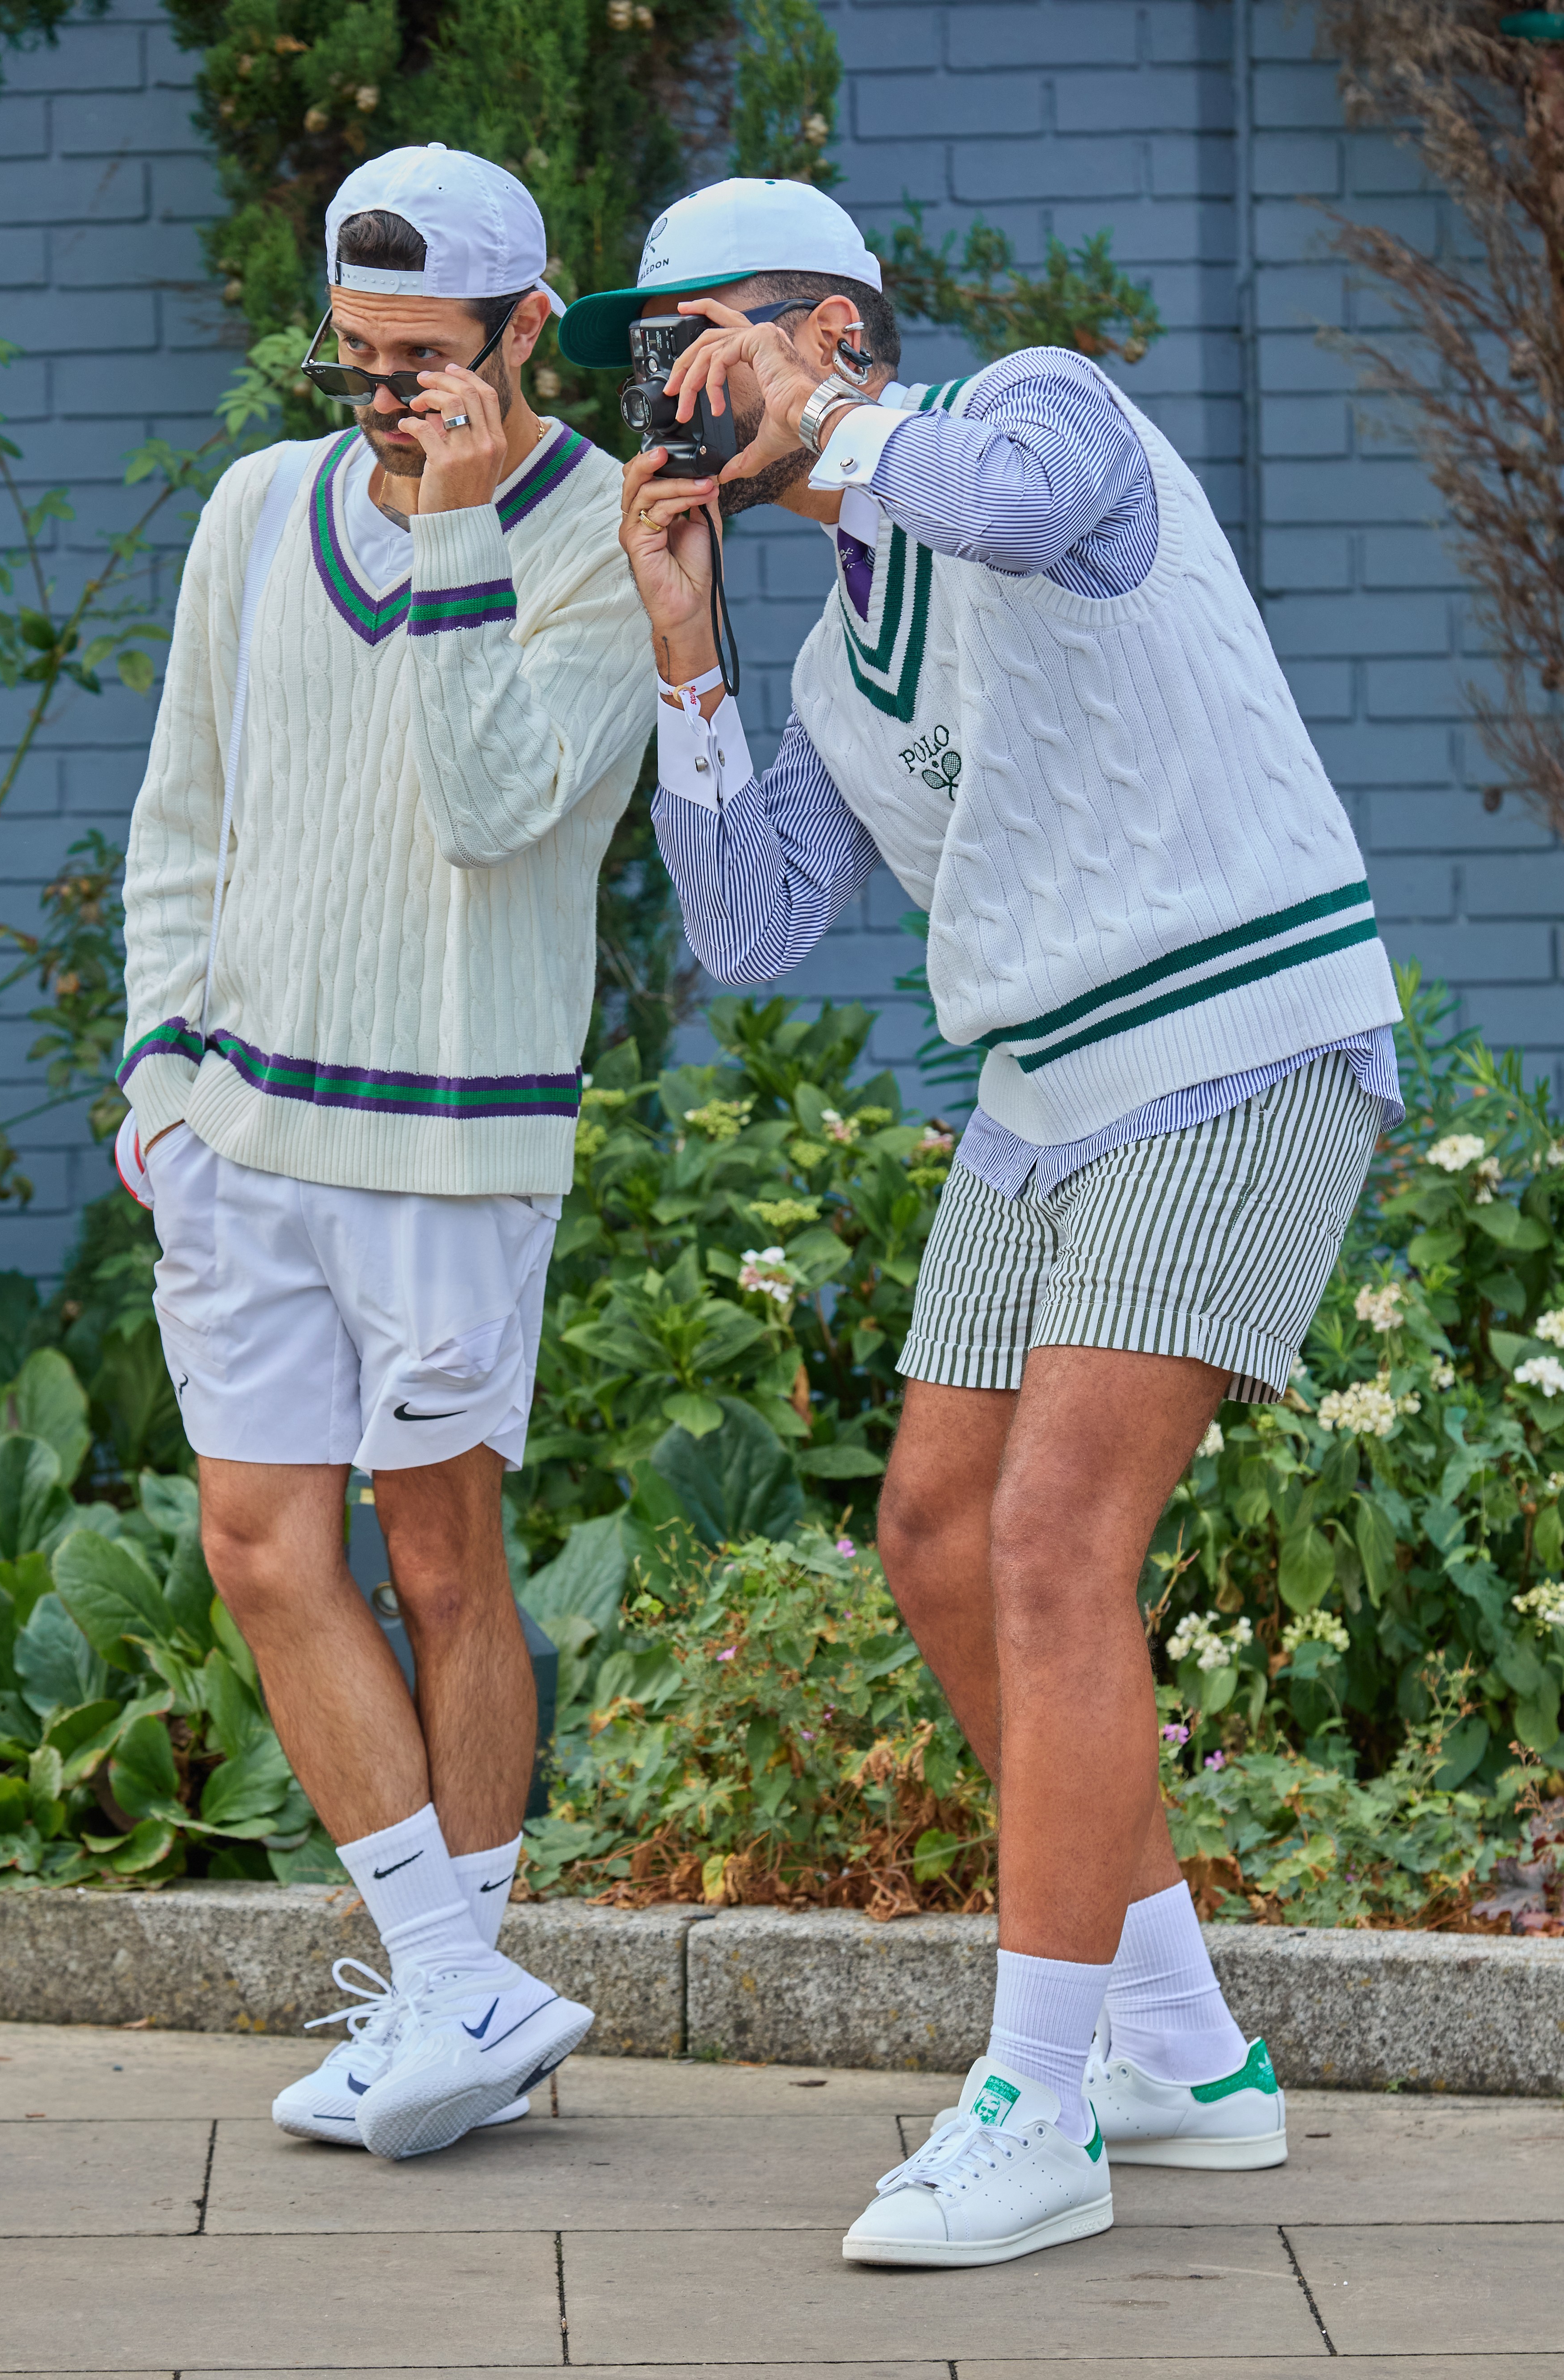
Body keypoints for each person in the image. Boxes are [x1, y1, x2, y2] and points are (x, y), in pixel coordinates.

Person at [559, 176, 1403, 2266]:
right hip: (1044, 1098)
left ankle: (1037, 2102)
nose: (677, 389)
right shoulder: (848, 648)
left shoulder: (1040, 411)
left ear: (833, 326)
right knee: (938, 1532)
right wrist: (689, 652)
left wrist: (823, 427)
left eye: (707, 338)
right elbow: (754, 930)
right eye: (656, 360)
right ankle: (1185, 2050)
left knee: (1051, 1540)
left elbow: (1012, 513)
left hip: (1235, 1035)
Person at [119, 145, 654, 2161]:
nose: (390, 392)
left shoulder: (609, 532)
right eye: (356, 357)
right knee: (261, 1543)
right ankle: (455, 1987)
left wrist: (446, 525)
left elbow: (502, 799)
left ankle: (458, 2002)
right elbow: (189, 808)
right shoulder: (258, 509)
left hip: (449, 1147)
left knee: (441, 1555)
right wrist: (163, 1079)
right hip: (239, 1129)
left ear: (527, 328)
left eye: (428, 357)